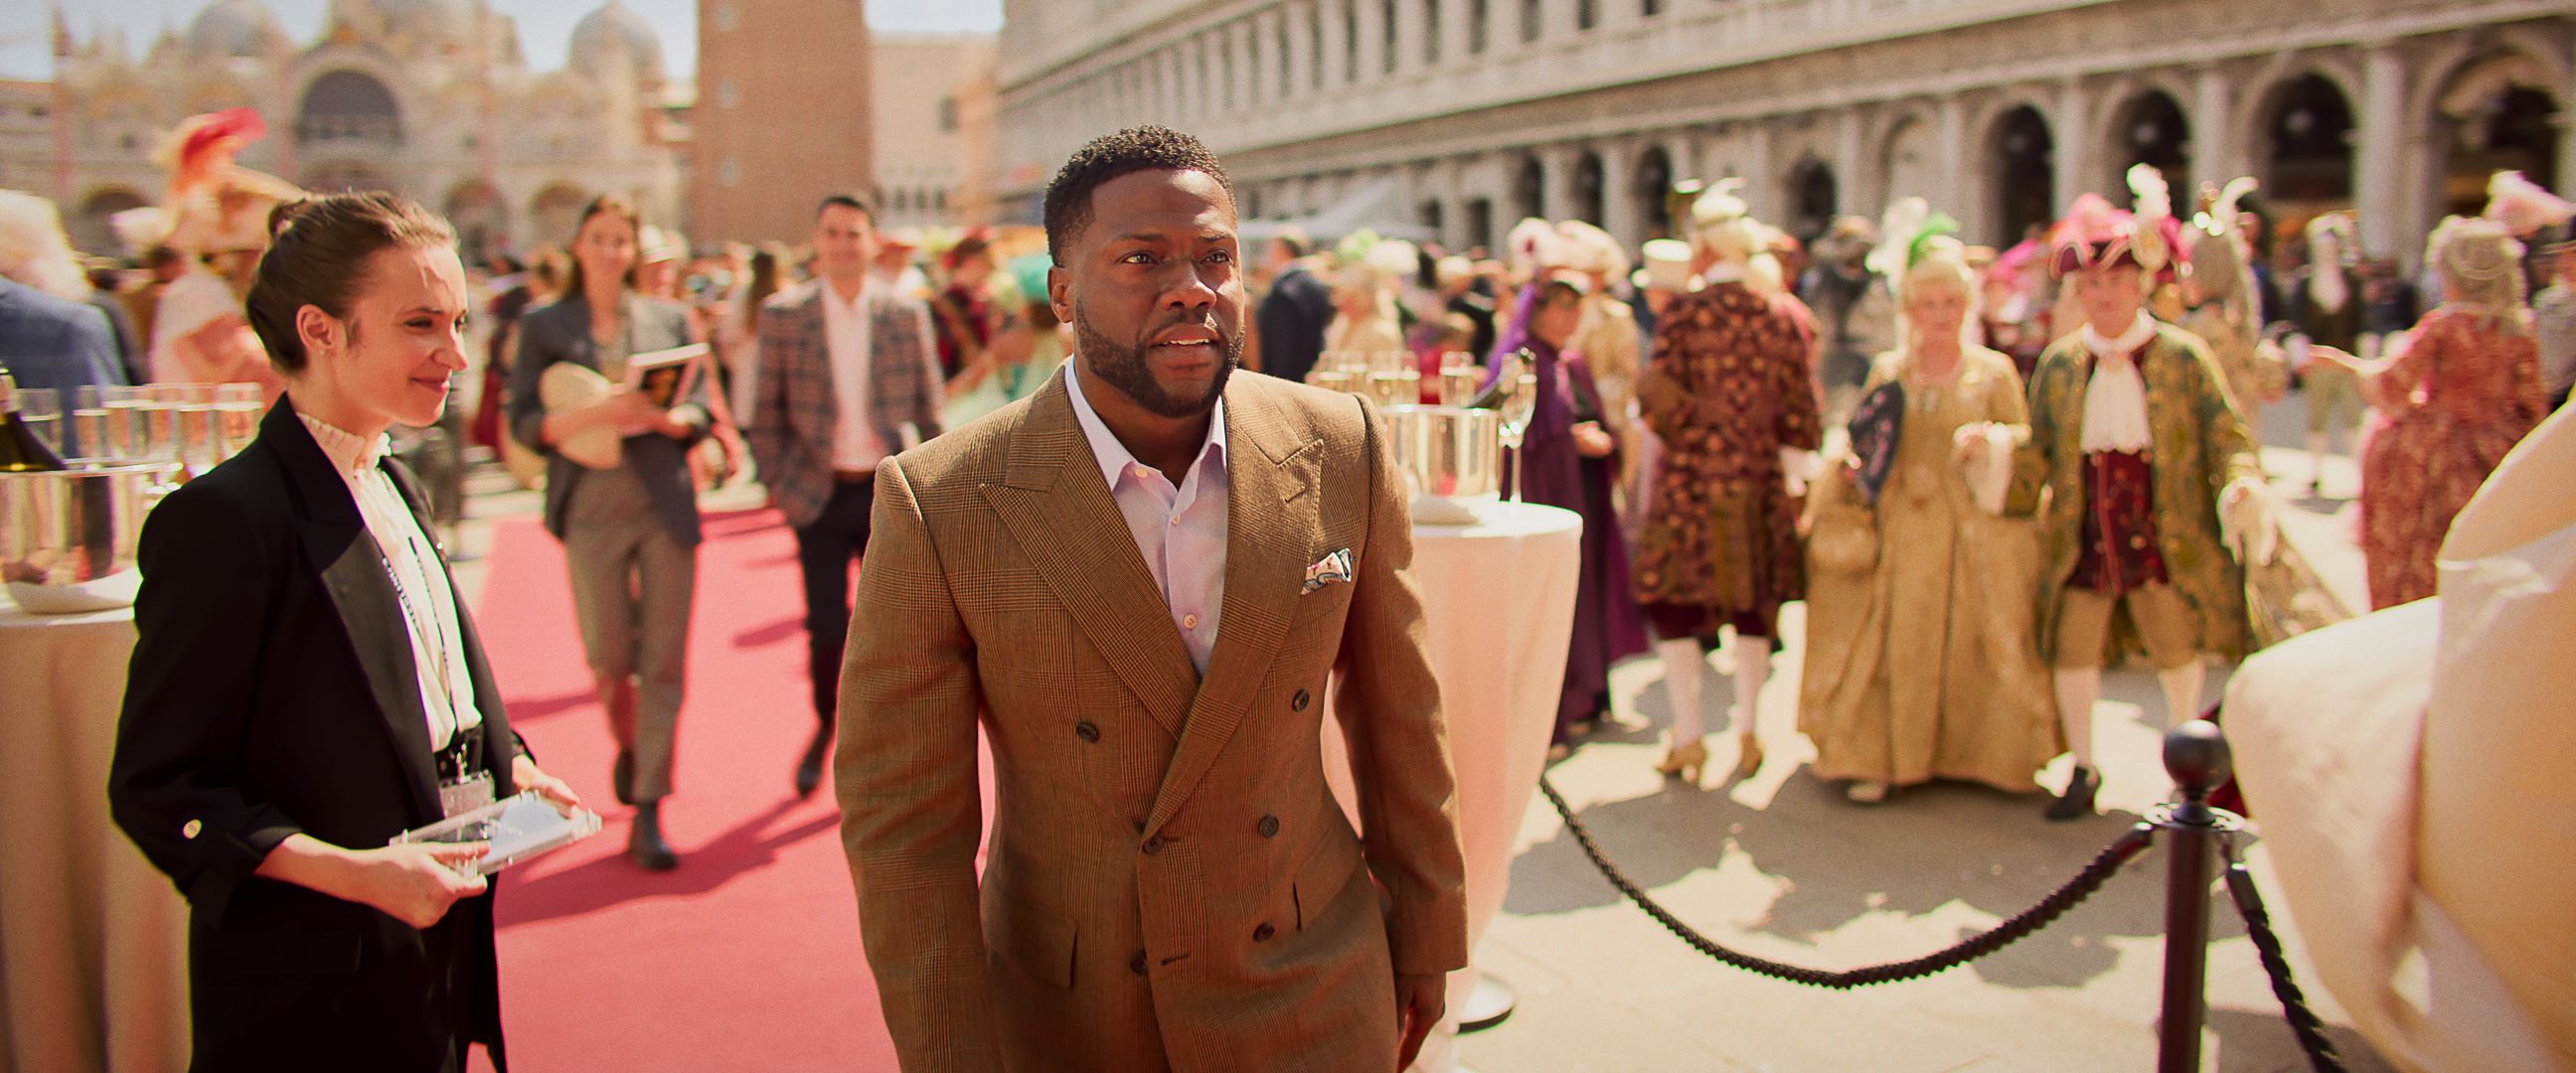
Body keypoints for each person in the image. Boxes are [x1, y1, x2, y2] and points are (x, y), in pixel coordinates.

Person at [838, 125, 1466, 1072]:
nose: (1192, 288)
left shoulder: (1344, 445)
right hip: (1080, 1014)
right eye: (1142, 259)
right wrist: (948, 1052)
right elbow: (905, 829)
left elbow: (1401, 718)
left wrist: (1427, 927)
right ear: (1061, 292)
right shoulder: (944, 501)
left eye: (1216, 257)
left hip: (1312, 979)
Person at [109, 191, 580, 1069]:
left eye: (460, 322)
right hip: (314, 990)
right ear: (320, 330)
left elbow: (420, 683)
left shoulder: (397, 482)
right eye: (421, 324)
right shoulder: (225, 519)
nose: (457, 354)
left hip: (431, 954)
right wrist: (358, 874)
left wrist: (509, 764)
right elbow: (162, 788)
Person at [2008, 194, 2277, 821]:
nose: (2103, 295)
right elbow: (2037, 450)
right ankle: (2083, 767)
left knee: (2175, 644)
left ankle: (2186, 767)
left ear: (2143, 285)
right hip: (2085, 534)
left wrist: (2241, 484)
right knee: (2072, 647)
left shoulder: (2183, 357)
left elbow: (2227, 436)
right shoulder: (2060, 363)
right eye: (2092, 284)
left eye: (2117, 282)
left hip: (2164, 530)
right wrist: (1991, 456)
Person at [1800, 208, 2059, 804]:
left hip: (1971, 532)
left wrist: (1992, 444)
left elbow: (2028, 451)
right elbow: (1867, 439)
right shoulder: (1889, 370)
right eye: (1929, 305)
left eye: (1951, 304)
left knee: (1979, 639)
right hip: (1901, 526)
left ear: (1967, 307)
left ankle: (1979, 756)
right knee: (1894, 642)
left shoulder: (1993, 372)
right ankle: (1883, 757)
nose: (1941, 315)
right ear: (1910, 311)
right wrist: (1849, 465)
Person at [508, 194, 710, 869]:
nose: (611, 251)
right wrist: (603, 411)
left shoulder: (669, 317)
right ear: (578, 245)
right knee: (609, 659)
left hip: (663, 503)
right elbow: (524, 424)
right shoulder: (543, 325)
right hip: (589, 504)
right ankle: (629, 742)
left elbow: (699, 411)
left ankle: (649, 805)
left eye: (622, 239)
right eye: (599, 238)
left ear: (634, 249)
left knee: (664, 659)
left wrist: (666, 420)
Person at [746, 192, 946, 797]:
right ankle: (826, 725)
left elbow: (930, 411)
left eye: (853, 233)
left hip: (889, 492)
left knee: (901, 627)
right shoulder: (785, 315)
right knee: (827, 627)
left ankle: (893, 742)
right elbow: (765, 415)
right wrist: (782, 487)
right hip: (817, 494)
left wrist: (935, 492)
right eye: (831, 233)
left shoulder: (905, 313)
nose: (842, 245)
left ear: (871, 241)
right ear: (816, 241)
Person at [1632, 181, 1823, 785]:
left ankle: (1690, 735)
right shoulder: (1781, 315)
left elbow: (1658, 394)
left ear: (1708, 252)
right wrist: (1791, 470)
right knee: (1752, 606)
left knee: (1674, 602)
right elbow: (1802, 408)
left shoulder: (1685, 313)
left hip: (1691, 480)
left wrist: (1687, 427)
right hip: (1756, 478)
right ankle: (1749, 728)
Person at [2331, 217, 2550, 610]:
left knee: (2416, 559)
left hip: (2429, 456)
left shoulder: (2446, 325)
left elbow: (2393, 385)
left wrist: (2345, 365)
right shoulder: (2518, 329)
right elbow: (2533, 406)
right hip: (2495, 455)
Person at [1515, 271, 1651, 748]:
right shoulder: (1523, 363)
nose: (1571, 316)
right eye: (1561, 305)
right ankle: (1558, 710)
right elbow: (1517, 434)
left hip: (1582, 495)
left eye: (1577, 306)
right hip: (1550, 496)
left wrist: (1595, 441)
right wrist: (1568, 441)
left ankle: (1587, 699)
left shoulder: (1569, 361)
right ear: (1538, 310)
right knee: (1555, 598)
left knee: (1585, 592)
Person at [1254, 230, 1332, 383]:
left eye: (1270, 250)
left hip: (1286, 381)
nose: (1267, 256)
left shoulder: (1283, 290)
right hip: (1311, 376)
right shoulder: (1316, 285)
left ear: (1282, 251)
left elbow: (1281, 347)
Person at [2531, 240, 2574, 410]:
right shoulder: (2546, 301)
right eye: (2562, 255)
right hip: (2546, 397)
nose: (2566, 263)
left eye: (2573, 254)